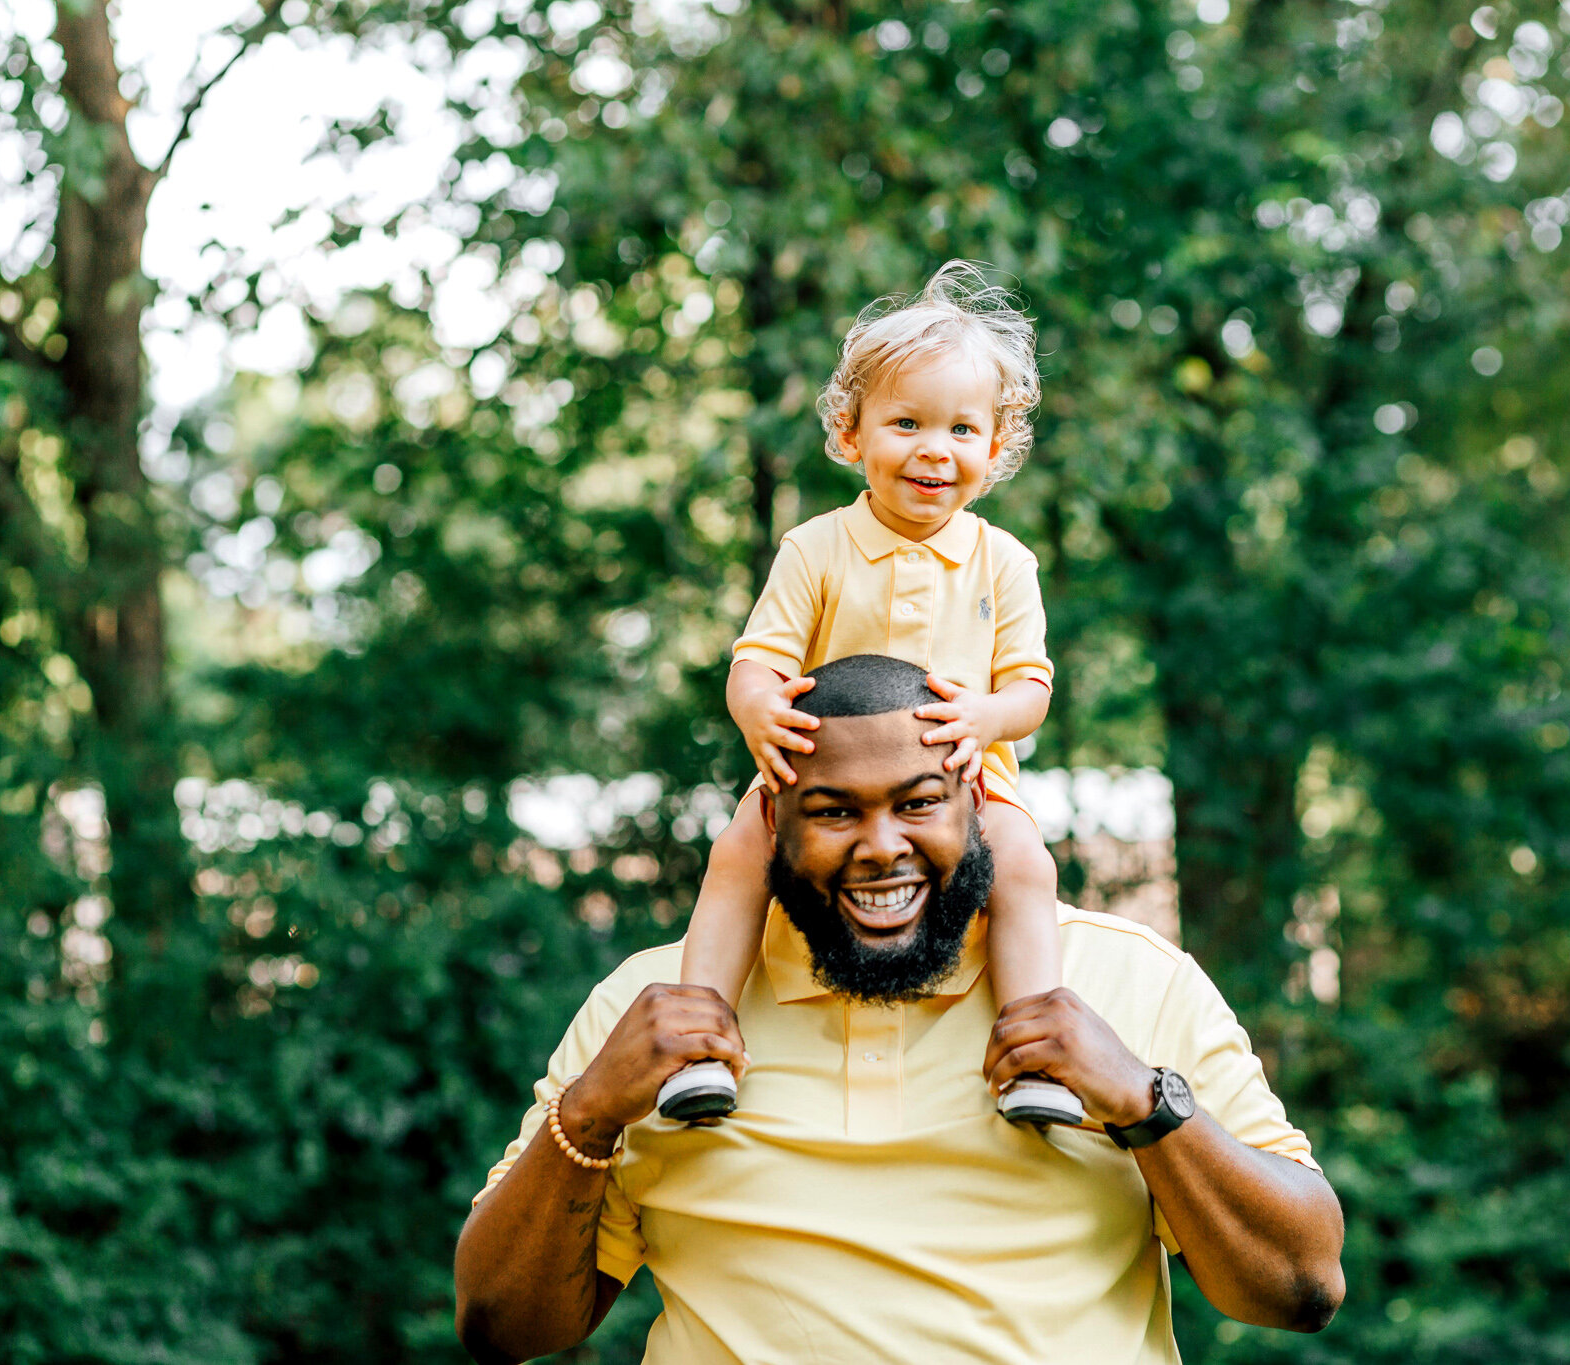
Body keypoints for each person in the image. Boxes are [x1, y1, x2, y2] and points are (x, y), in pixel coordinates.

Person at [454, 655, 1346, 1365]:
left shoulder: (1130, 979)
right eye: (835, 811)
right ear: (773, 822)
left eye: (919, 803)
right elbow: (501, 1324)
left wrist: (1146, 1101)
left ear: (982, 806)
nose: (883, 848)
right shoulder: (658, 1009)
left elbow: (1301, 1286)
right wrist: (590, 1111)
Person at [659, 261, 1078, 1126]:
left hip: (962, 773)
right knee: (737, 856)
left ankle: (1035, 1053)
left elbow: (1030, 691)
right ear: (851, 434)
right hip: (819, 773)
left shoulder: (1004, 561)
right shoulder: (816, 548)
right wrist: (758, 710)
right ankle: (697, 1041)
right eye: (907, 422)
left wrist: (984, 717)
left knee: (1028, 866)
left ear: (994, 451)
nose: (936, 447)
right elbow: (757, 659)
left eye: (963, 428)